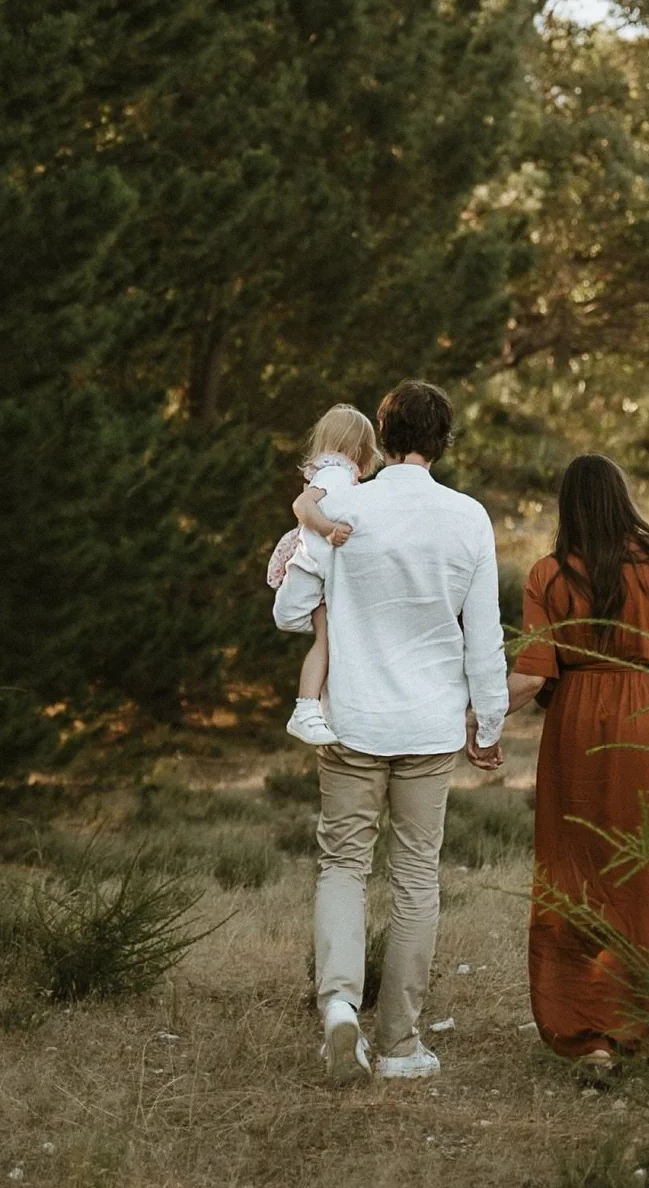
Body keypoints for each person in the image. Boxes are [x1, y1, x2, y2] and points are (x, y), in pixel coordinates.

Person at [273, 379, 508, 1085]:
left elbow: (291, 610)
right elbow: (484, 636)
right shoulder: (469, 518)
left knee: (343, 865)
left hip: (351, 718)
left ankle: (341, 1005)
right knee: (415, 875)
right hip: (430, 724)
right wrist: (489, 723)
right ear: (443, 441)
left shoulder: (341, 505)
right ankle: (401, 1042)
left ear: (383, 432)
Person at [498, 454, 649, 1066]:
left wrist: (476, 721)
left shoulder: (549, 573)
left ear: (567, 506)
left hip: (584, 726)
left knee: (579, 873)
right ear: (624, 499)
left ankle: (590, 1034)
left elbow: (528, 677)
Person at [265, 404, 380, 747]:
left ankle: (316, 710)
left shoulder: (339, 477)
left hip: (315, 580)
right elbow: (302, 506)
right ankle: (305, 710)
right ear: (357, 449)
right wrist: (329, 530)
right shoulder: (335, 473)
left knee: (331, 638)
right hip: (307, 576)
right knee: (327, 640)